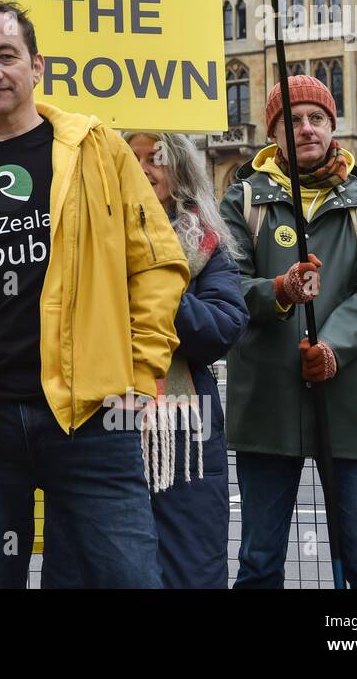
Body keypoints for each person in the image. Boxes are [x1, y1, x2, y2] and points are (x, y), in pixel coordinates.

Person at [0, 0, 188, 589]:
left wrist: (138, 370)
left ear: (37, 65)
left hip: (95, 418)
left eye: (5, 54)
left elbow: (157, 264)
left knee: (130, 579)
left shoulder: (99, 150)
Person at [221, 75, 357, 589]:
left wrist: (332, 348)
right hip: (267, 404)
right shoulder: (243, 200)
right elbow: (228, 281)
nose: (306, 128)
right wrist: (278, 290)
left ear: (331, 125)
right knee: (258, 564)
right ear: (274, 132)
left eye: (315, 118)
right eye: (292, 121)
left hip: (346, 404)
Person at [125, 132, 247, 589]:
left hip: (185, 438)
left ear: (180, 168)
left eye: (154, 157)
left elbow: (221, 331)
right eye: (130, 157)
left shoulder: (208, 245)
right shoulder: (88, 246)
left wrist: (156, 284)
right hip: (103, 429)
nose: (142, 167)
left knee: (190, 570)